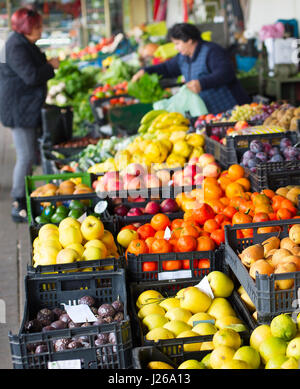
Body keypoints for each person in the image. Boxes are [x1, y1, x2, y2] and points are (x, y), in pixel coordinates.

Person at [0, 7, 59, 223]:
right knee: (25, 156)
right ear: (27, 28)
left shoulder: (22, 42)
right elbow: (32, 76)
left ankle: (29, 196)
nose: (41, 31)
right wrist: (50, 66)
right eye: (38, 27)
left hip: (25, 107)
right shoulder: (16, 46)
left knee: (28, 155)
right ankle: (18, 203)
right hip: (19, 109)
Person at [132, 23, 251, 114]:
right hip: (211, 112)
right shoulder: (183, 57)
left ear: (189, 40)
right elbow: (167, 68)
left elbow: (226, 73)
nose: (176, 48)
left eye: (177, 43)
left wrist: (202, 83)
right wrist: (145, 71)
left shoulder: (211, 51)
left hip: (232, 107)